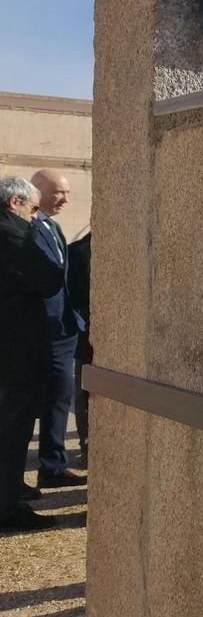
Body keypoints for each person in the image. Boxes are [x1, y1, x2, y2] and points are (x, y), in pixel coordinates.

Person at [0, 177, 63, 531]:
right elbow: (50, 277)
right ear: (14, 203)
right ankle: (6, 507)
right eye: (33, 209)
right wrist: (37, 231)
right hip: (14, 351)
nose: (35, 217)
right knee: (13, 425)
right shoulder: (13, 233)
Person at [22, 170, 86, 489]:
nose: (65, 199)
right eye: (58, 192)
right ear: (38, 191)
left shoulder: (54, 227)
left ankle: (53, 466)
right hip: (37, 332)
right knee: (29, 402)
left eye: (67, 193)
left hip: (63, 331)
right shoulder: (25, 229)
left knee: (61, 398)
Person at [68, 229, 92, 468]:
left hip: (90, 335)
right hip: (87, 334)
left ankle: (87, 448)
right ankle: (87, 447)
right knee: (84, 391)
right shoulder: (78, 252)